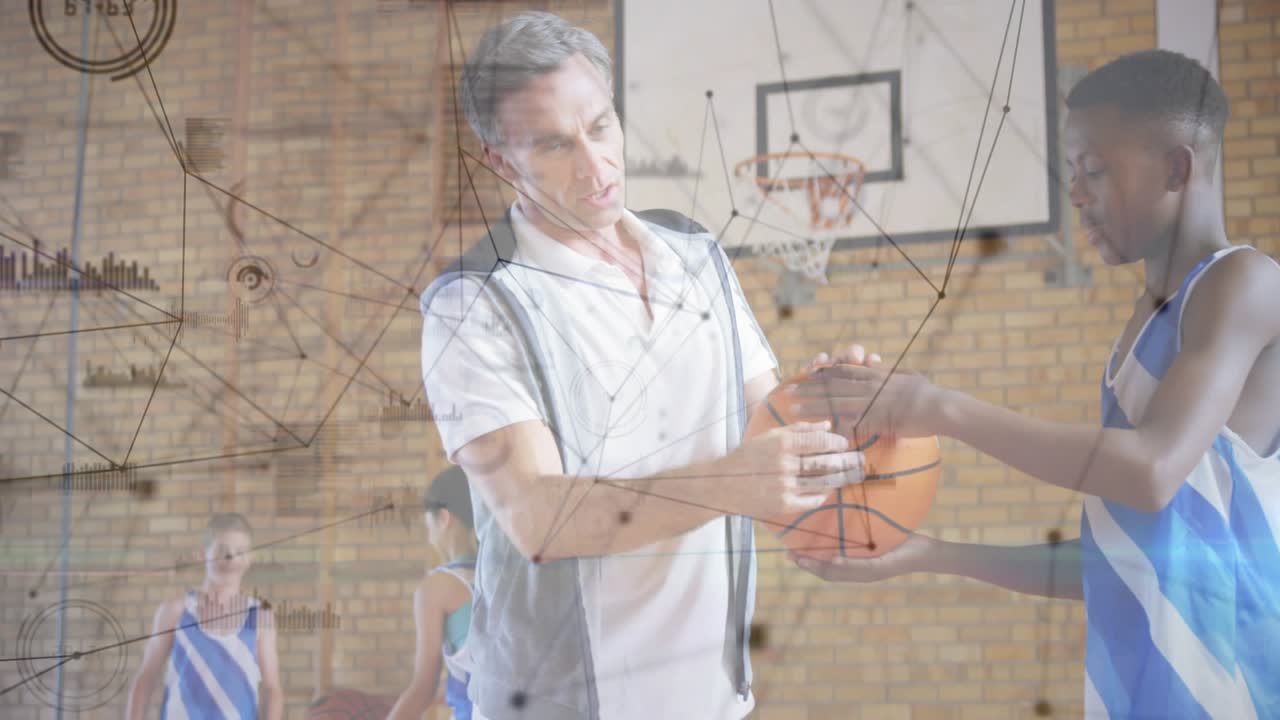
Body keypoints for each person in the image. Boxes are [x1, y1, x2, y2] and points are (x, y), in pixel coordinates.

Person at [789, 49, 1280, 719]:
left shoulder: (1245, 284)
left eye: (1095, 170)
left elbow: (1152, 471)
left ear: (1177, 167)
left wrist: (937, 407)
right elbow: (1122, 563)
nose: (1075, 192)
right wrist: (926, 554)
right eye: (1072, 172)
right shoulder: (1140, 329)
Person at [418, 11, 868, 720]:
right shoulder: (473, 302)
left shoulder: (695, 253)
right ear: (500, 160)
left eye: (601, 127)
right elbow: (539, 517)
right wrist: (733, 483)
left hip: (713, 698)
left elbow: (763, 421)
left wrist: (832, 403)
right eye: (555, 145)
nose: (596, 167)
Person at [126, 512, 284, 720]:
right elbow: (146, 678)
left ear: (250, 559)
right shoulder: (174, 610)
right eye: (222, 550)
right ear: (202, 554)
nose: (231, 558)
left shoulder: (261, 615)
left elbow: (272, 689)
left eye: (240, 551)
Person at [387, 466, 479, 720]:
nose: (429, 537)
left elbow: (423, 688)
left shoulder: (437, 587)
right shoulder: (508, 575)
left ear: (444, 518)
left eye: (427, 523)